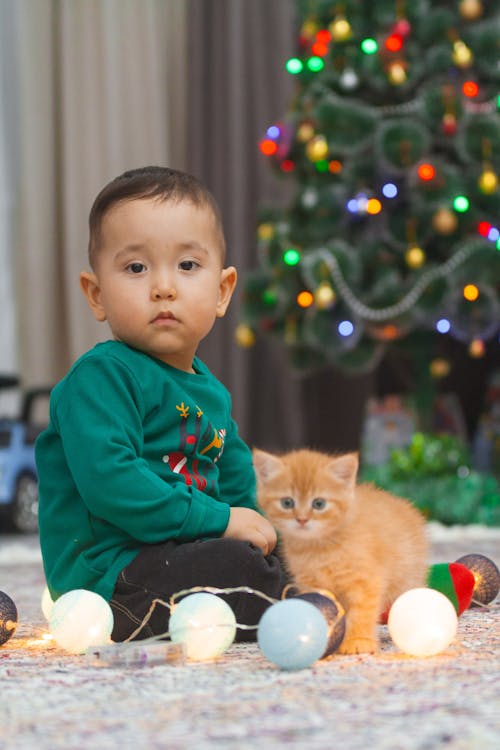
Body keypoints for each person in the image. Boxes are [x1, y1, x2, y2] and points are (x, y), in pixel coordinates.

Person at [36, 165, 284, 642]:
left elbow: (239, 484)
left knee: (291, 545)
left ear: (222, 291)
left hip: (183, 552)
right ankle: (306, 603)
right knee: (234, 564)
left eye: (187, 266)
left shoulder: (209, 392)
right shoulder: (103, 377)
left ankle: (346, 581)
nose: (164, 287)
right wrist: (223, 522)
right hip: (112, 582)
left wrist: (267, 529)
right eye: (136, 268)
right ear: (96, 293)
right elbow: (113, 483)